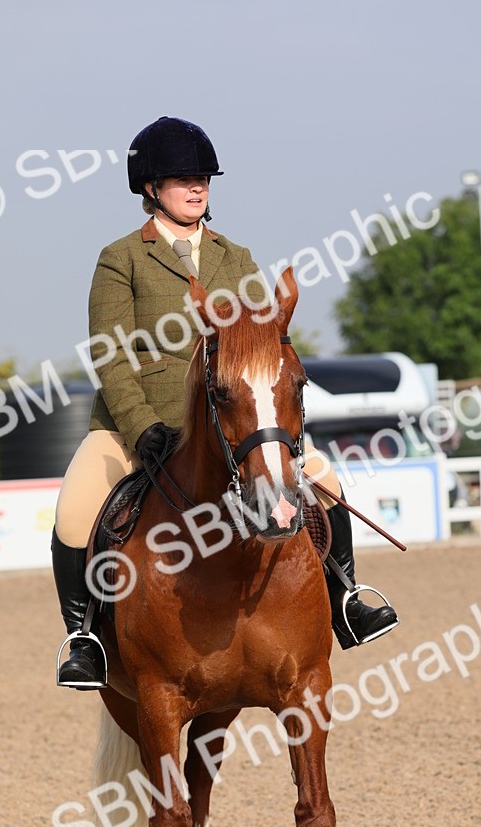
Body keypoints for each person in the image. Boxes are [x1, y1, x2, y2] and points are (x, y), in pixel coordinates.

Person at [52, 116, 399, 688]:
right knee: (75, 509)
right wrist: (140, 428)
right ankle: (84, 637)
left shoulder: (234, 257)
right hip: (138, 426)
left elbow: (261, 341)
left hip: (231, 422)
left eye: (203, 179)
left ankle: (347, 598)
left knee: (325, 479)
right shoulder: (120, 260)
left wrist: (276, 421)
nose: (197, 188)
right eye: (183, 179)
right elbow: (110, 358)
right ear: (150, 189)